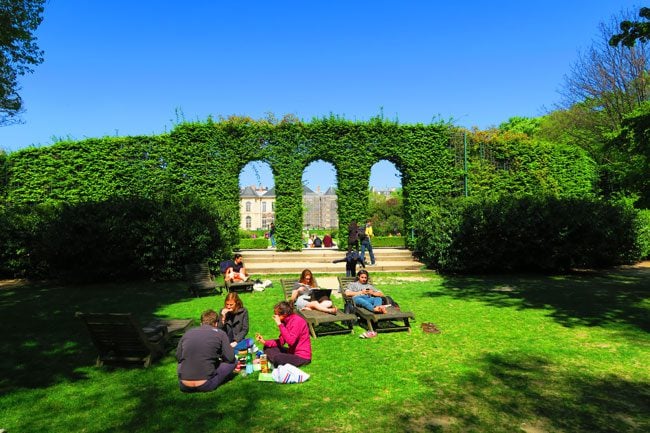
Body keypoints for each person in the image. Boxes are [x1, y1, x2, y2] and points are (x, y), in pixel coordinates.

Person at [176, 309, 237, 393]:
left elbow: (179, 357)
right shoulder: (220, 333)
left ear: (201, 323)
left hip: (184, 386)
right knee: (233, 362)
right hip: (206, 385)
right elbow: (230, 358)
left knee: (182, 362)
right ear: (216, 324)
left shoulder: (187, 333)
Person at [255, 301, 311, 367]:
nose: (274, 316)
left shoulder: (297, 321)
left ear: (284, 314)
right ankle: (274, 360)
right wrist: (264, 342)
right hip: (291, 353)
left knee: (278, 358)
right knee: (268, 347)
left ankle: (273, 361)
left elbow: (291, 341)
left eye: (277, 314)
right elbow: (281, 342)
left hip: (302, 357)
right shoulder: (285, 321)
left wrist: (280, 324)